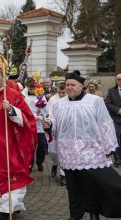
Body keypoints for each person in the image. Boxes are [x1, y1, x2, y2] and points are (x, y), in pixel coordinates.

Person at [43, 72, 121, 220]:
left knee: (95, 184)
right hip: (68, 153)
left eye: (73, 85)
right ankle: (75, 215)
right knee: (73, 187)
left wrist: (108, 148)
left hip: (91, 152)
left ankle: (93, 212)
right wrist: (48, 125)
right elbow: (53, 124)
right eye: (67, 85)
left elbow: (105, 124)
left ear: (81, 86)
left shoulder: (95, 101)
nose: (69, 88)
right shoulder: (59, 103)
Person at [0, 53, 37, 220]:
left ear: (3, 76)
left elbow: (28, 119)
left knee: (10, 172)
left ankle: (8, 209)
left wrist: (12, 110)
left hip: (9, 142)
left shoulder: (13, 95)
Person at [45, 81, 67, 186]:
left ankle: (63, 176)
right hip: (54, 129)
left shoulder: (69, 99)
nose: (62, 95)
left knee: (63, 152)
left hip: (66, 130)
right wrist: (50, 124)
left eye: (64, 93)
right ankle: (55, 163)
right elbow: (49, 113)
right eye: (60, 93)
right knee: (53, 151)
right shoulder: (52, 100)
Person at [24, 77, 48, 172]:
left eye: (33, 88)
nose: (32, 90)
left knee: (42, 144)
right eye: (30, 89)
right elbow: (24, 108)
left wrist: (41, 111)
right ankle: (30, 163)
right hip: (29, 123)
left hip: (39, 124)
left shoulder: (41, 95)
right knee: (30, 145)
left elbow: (45, 107)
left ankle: (40, 161)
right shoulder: (24, 96)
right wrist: (31, 115)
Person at [105, 73, 121, 166]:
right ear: (116, 81)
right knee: (116, 139)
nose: (120, 81)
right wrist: (118, 110)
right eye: (118, 79)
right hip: (115, 119)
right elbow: (107, 104)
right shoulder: (111, 91)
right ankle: (117, 158)